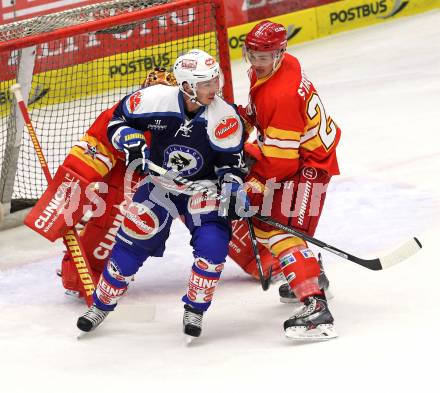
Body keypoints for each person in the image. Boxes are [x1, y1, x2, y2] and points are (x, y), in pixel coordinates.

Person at [76, 49, 246, 339]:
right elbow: (117, 121)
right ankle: (101, 304)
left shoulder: (224, 115)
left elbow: (231, 162)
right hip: (158, 185)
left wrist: (231, 184)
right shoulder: (153, 99)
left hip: (202, 187)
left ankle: (195, 308)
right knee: (134, 239)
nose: (214, 88)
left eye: (215, 80)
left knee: (214, 243)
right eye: (206, 84)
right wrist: (131, 142)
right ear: (186, 86)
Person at [238, 20, 341, 340]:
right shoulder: (277, 68)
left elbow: (279, 164)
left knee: (278, 228)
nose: (256, 62)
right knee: (275, 224)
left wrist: (251, 175)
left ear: (281, 53)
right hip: (298, 157)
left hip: (309, 166)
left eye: (264, 57)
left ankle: (316, 308)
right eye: (252, 54)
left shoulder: (280, 95)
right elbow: (262, 115)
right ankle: (311, 272)